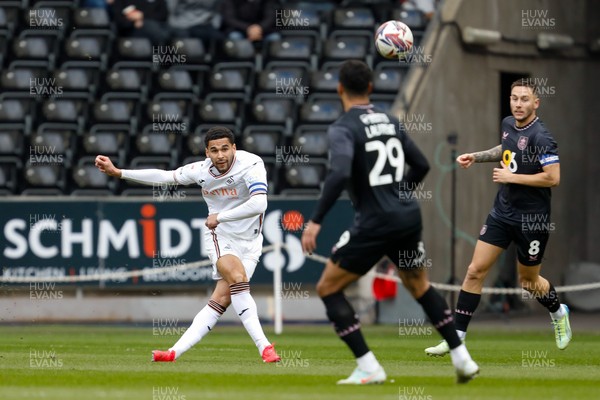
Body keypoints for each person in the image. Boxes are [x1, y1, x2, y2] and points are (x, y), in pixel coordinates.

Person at [300, 60, 479, 385]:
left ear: (340, 88)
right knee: (420, 286)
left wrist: (315, 222)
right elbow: (422, 165)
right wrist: (398, 194)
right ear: (370, 88)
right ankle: (462, 359)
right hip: (408, 217)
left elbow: (339, 172)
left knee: (328, 287)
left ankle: (369, 367)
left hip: (375, 222)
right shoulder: (390, 121)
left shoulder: (343, 127)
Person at [95, 126, 281, 363]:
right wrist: (119, 172)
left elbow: (259, 204)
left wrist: (220, 216)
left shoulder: (251, 164)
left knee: (222, 299)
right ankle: (265, 347)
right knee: (237, 278)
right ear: (207, 153)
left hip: (252, 241)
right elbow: (164, 176)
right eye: (214, 150)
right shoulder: (200, 171)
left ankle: (173, 353)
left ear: (234, 148)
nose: (221, 155)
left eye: (225, 148)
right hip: (220, 236)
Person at [425, 79, 571, 357]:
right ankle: (456, 339)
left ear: (536, 103)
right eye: (514, 98)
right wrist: (477, 157)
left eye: (524, 99)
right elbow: (506, 149)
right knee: (474, 271)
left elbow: (553, 178)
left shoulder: (543, 136)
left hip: (532, 220)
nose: (518, 104)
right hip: (502, 212)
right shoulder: (507, 124)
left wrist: (511, 177)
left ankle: (558, 312)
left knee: (528, 281)